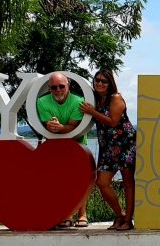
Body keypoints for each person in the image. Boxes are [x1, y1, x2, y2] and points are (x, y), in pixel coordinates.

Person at [79, 69, 136, 231]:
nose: (99, 83)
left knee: (128, 182)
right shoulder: (96, 99)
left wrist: (92, 112)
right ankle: (120, 214)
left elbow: (113, 121)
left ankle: (128, 220)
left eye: (104, 81)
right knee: (102, 182)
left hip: (125, 144)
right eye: (97, 80)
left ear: (110, 83)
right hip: (107, 147)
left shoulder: (115, 98)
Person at [35, 72, 89, 228]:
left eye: (61, 86)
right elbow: (47, 125)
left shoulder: (78, 102)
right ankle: (66, 215)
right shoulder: (42, 101)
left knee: (80, 180)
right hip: (56, 146)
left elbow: (73, 127)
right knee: (61, 181)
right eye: (54, 87)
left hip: (78, 144)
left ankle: (82, 214)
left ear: (68, 85)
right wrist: (52, 125)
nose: (58, 90)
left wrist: (59, 127)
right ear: (49, 88)